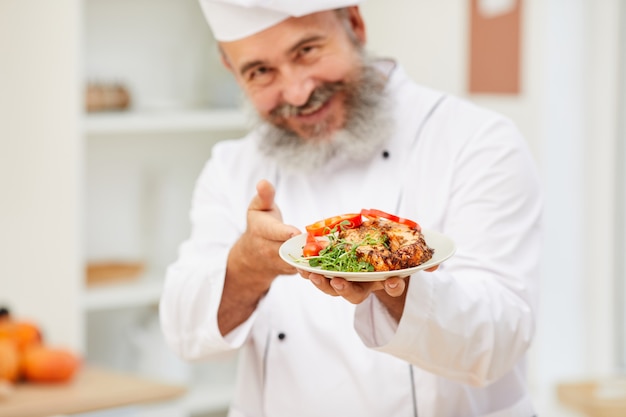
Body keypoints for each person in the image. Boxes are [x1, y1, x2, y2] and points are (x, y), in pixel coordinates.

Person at [159, 1, 543, 416]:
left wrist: (394, 283)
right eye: (260, 72)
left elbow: (501, 339)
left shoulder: (477, 142)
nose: (298, 93)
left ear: (355, 25)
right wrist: (248, 266)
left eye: (306, 50)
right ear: (232, 72)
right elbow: (184, 333)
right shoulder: (232, 166)